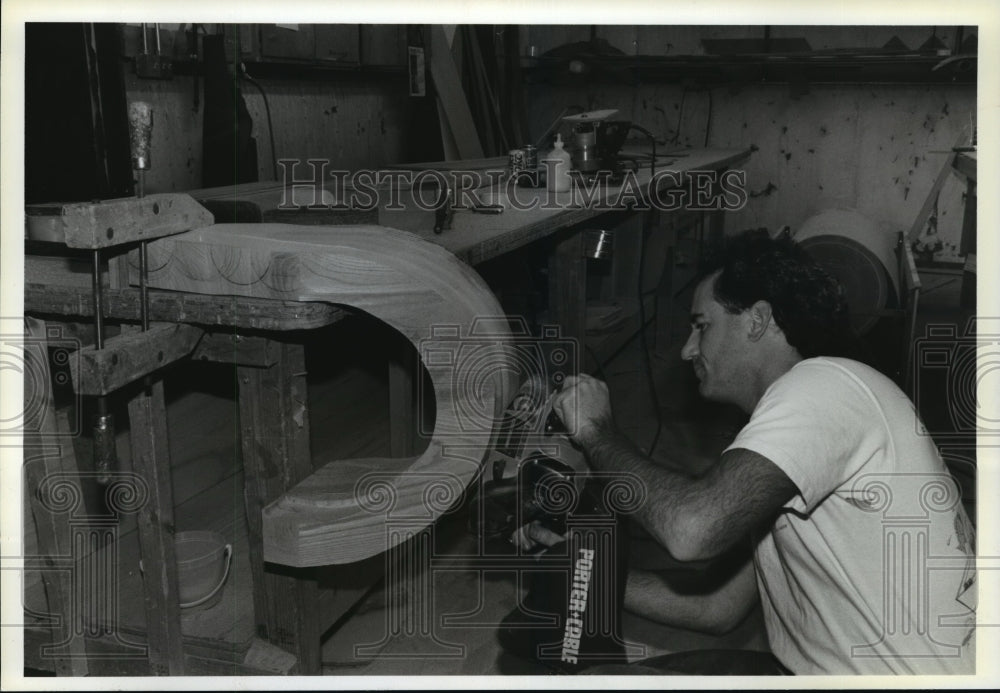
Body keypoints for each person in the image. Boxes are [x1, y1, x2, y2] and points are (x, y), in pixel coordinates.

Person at [541, 229, 976, 675]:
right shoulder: (796, 440)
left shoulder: (821, 387)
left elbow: (690, 529)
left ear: (757, 319)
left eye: (701, 326)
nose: (688, 349)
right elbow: (717, 607)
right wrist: (576, 568)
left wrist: (595, 430)